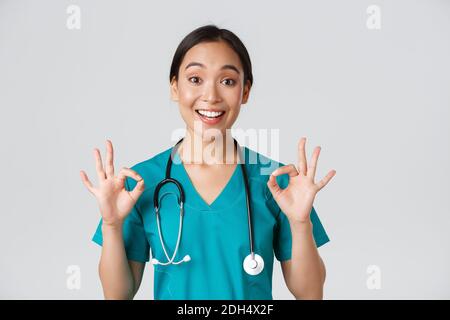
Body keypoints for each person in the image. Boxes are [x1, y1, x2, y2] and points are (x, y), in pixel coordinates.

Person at [80, 24, 336, 300]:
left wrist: (300, 224)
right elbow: (118, 295)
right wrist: (111, 225)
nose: (211, 96)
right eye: (195, 79)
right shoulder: (138, 183)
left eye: (228, 81)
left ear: (245, 92)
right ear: (175, 87)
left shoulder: (278, 182)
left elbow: (310, 294)